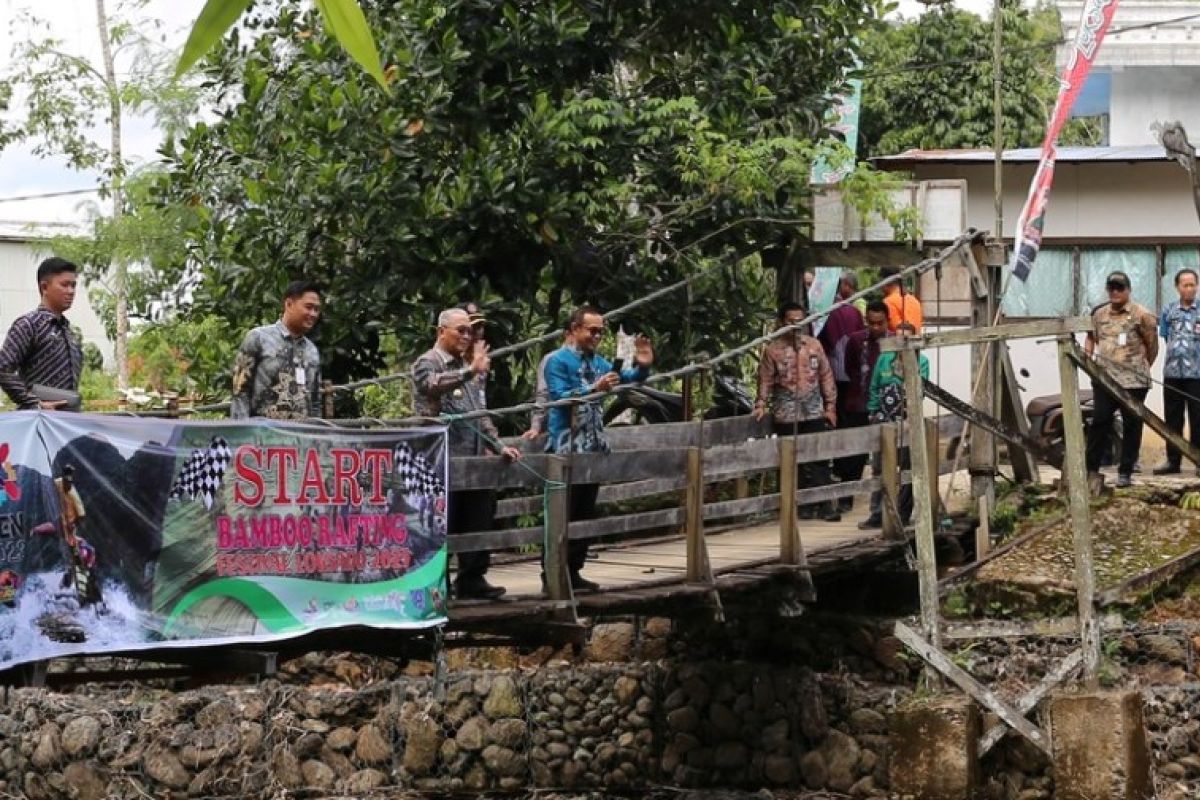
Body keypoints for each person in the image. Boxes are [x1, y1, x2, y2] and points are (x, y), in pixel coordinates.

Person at [412, 308, 522, 600]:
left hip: (473, 461)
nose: (466, 336)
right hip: (439, 461)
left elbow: (479, 414)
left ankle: (472, 579)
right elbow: (432, 386)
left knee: (478, 516)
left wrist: (500, 446)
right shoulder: (427, 362)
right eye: (460, 330)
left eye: (468, 331)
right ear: (441, 332)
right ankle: (437, 584)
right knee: (440, 523)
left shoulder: (467, 367)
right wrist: (470, 371)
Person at [545, 306, 653, 592]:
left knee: (583, 512)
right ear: (574, 330)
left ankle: (574, 571)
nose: (596, 336)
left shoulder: (599, 362)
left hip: (592, 448)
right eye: (592, 330)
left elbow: (625, 379)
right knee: (562, 513)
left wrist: (642, 366)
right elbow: (558, 397)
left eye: (600, 331)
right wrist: (595, 388)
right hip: (566, 448)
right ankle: (553, 576)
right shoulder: (557, 362)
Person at [754, 302, 840, 522]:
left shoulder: (814, 346)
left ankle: (825, 505)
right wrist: (761, 404)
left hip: (813, 411)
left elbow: (825, 376)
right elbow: (765, 379)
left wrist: (830, 407)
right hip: (786, 413)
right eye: (791, 320)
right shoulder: (772, 350)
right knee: (792, 461)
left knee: (819, 459)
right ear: (783, 321)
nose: (796, 325)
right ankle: (799, 505)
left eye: (800, 320)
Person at [1085, 270, 1158, 488]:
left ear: (1128, 290)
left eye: (1120, 288)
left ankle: (1125, 471)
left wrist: (1140, 367)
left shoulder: (1142, 314)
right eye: (1112, 288)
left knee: (1132, 424)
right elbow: (1091, 338)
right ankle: (1090, 469)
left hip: (1133, 381)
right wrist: (1088, 362)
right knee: (1100, 421)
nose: (1115, 292)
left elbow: (1152, 345)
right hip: (1105, 378)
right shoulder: (1099, 314)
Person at [231, 280, 323, 419]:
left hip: (300, 437)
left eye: (316, 309)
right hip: (262, 435)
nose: (313, 314)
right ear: (289, 304)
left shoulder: (312, 351)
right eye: (308, 307)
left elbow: (315, 402)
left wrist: (316, 436)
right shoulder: (258, 338)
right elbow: (239, 391)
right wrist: (243, 433)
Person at [0, 257, 83, 410]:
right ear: (44, 287)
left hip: (67, 422)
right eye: (64, 285)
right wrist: (34, 403)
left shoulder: (70, 333)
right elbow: (3, 368)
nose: (71, 291)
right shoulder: (28, 325)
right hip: (37, 422)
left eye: (73, 285)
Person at [864, 343, 931, 528]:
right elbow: (875, 386)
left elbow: (920, 389)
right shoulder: (885, 359)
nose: (902, 342)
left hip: (907, 419)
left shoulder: (922, 361)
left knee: (907, 467)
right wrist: (872, 412)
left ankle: (902, 513)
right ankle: (877, 514)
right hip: (883, 418)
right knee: (879, 466)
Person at [818, 274, 867, 507]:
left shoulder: (823, 313)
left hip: (831, 379)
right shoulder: (854, 313)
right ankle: (847, 482)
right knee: (855, 431)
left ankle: (837, 470)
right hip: (854, 384)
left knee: (834, 424)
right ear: (844, 287)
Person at [845, 302, 891, 528]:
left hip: (888, 410)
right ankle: (848, 500)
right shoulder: (855, 341)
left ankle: (888, 511)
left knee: (888, 462)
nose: (875, 327)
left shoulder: (894, 343)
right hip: (859, 403)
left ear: (887, 321)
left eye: (880, 323)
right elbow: (849, 367)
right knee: (854, 456)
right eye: (871, 323)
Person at [1155, 268, 1200, 475]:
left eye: (1193, 285)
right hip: (1172, 373)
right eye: (1185, 285)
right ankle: (1173, 461)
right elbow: (1165, 336)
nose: (1189, 289)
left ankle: (1198, 461)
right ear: (1177, 287)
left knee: (1198, 419)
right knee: (1173, 419)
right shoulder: (1168, 311)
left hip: (1197, 375)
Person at [523, 330, 575, 440]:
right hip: (555, 422)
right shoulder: (552, 359)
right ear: (568, 335)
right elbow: (543, 394)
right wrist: (535, 427)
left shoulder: (588, 360)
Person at [880, 266, 923, 335]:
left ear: (885, 281)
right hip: (916, 342)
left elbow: (896, 331)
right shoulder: (914, 300)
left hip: (900, 343)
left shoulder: (888, 302)